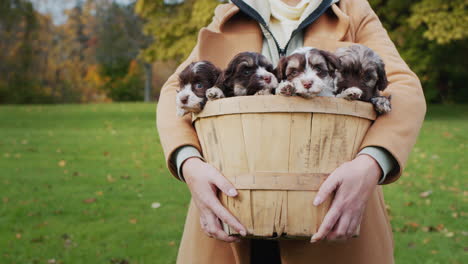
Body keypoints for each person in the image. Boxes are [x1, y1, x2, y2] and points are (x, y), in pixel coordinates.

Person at [156, 0, 426, 263]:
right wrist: (188, 163)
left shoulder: (351, 8)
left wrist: (371, 162)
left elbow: (404, 87)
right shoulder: (231, 11)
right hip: (229, 208)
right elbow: (175, 90)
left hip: (333, 213)